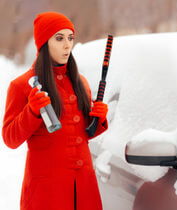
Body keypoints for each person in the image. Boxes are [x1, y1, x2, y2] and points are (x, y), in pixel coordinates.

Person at [2, 12, 108, 210]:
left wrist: (99, 120)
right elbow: (10, 138)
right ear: (43, 42)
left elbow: (80, 133)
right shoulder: (22, 85)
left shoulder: (80, 82)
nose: (67, 45)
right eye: (59, 38)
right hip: (47, 193)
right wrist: (31, 112)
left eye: (70, 38)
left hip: (84, 188)